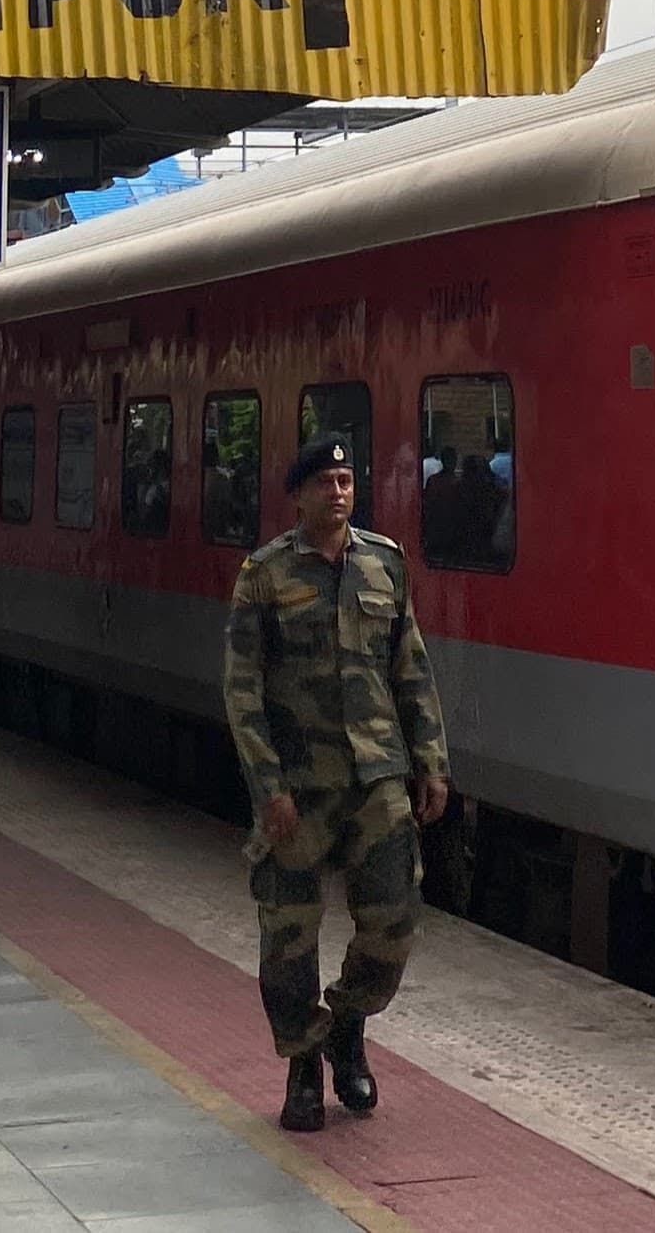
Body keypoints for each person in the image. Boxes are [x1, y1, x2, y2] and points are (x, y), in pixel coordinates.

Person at [222, 434, 450, 1134]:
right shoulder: (265, 574)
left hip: (376, 778)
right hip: (297, 786)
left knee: (396, 920)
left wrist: (432, 760)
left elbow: (410, 669)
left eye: (346, 481)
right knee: (289, 936)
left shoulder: (385, 564)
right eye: (324, 482)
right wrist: (268, 787)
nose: (338, 492)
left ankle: (347, 1023)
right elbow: (241, 690)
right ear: (299, 494)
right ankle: (302, 1065)